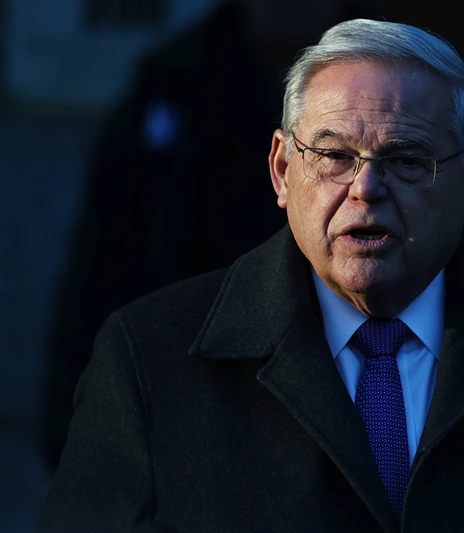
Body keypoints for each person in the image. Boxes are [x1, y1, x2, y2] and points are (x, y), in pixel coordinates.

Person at [38, 18, 464, 532]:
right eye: (335, 156)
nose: (365, 188)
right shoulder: (149, 360)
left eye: (405, 159)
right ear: (283, 172)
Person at [39, 0, 384, 473]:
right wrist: (75, 434)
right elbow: (98, 278)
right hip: (189, 433)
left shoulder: (414, 103)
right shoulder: (169, 101)